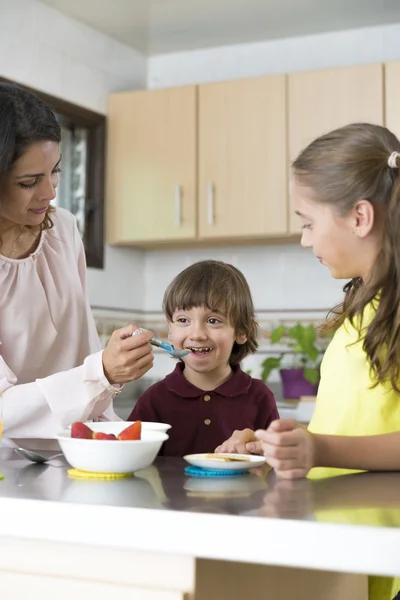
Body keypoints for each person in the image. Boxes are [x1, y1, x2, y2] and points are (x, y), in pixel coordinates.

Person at [219, 122, 400, 600]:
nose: (304, 240)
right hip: (348, 540)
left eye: (308, 222)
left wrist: (320, 450)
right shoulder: (362, 308)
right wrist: (275, 446)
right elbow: (348, 423)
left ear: (359, 217)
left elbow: (335, 444)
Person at [0, 82, 154, 450]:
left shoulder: (64, 229)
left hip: (74, 450)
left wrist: (107, 374)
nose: (50, 191)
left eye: (55, 171)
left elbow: (82, 349)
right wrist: (100, 373)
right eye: (28, 182)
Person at [128, 260, 279, 456]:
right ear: (170, 329)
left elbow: (277, 465)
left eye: (213, 321)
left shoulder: (260, 397)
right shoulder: (153, 400)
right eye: (183, 320)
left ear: (243, 330)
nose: (197, 334)